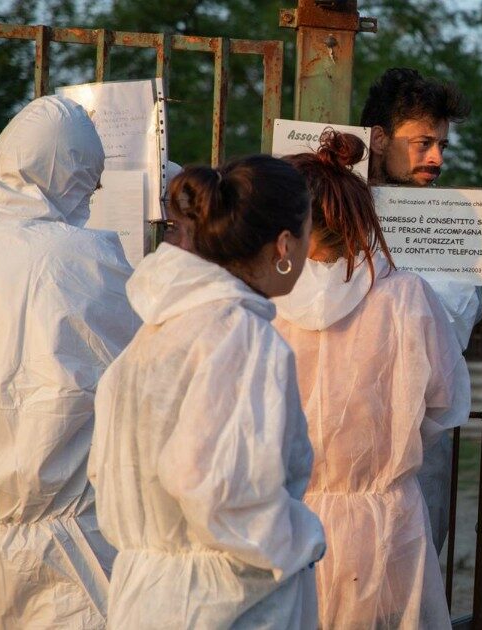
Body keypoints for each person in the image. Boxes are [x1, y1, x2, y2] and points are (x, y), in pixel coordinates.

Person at [88, 156, 326, 628]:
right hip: (226, 603)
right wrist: (302, 537)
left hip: (145, 594)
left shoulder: (158, 330)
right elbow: (219, 491)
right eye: (307, 234)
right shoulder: (239, 337)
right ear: (284, 244)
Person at [272, 131, 470, 628]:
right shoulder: (405, 296)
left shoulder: (262, 302)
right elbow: (445, 404)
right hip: (385, 520)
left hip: (283, 520)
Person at [0, 96, 140, 629]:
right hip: (68, 544)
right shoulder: (83, 259)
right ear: (70, 170)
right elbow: (145, 379)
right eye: (91, 178)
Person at [361, 67, 479, 555]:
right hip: (338, 434)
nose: (436, 158)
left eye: (443, 146)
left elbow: (453, 328)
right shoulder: (334, 214)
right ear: (378, 138)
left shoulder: (454, 222)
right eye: (422, 142)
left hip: (422, 441)